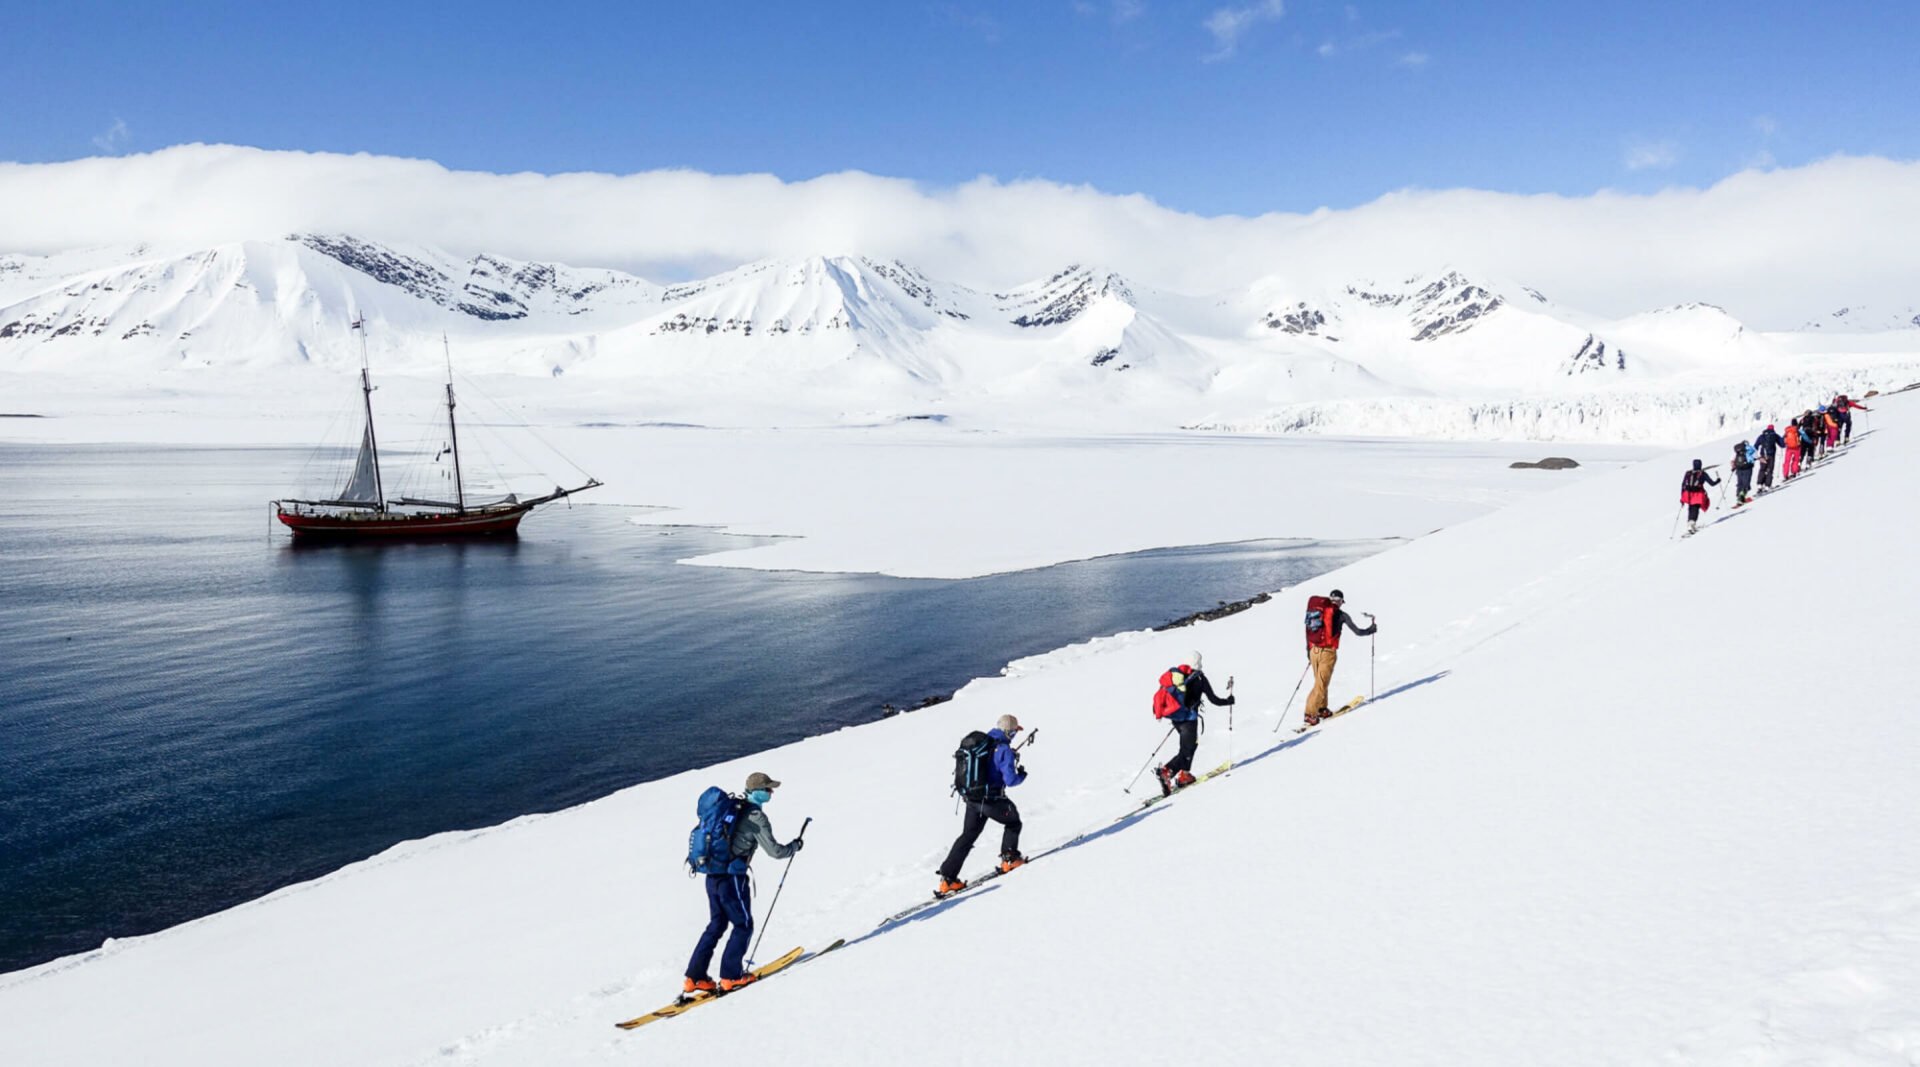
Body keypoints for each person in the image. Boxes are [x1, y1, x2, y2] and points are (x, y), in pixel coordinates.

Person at [685, 772, 803, 995]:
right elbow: (775, 852)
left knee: (716, 924)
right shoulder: (755, 816)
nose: (771, 792)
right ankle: (731, 977)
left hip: (713, 875)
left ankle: (695, 977)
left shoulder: (734, 809)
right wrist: (794, 847)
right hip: (733, 878)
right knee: (743, 924)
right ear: (758, 791)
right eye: (768, 789)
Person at [936, 715, 1028, 898]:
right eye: (1015, 732)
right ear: (1009, 732)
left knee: (968, 835)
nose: (1015, 736)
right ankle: (1010, 859)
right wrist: (1021, 774)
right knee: (1013, 823)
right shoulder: (1003, 750)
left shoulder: (982, 745)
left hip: (972, 799)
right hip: (991, 799)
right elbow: (1010, 780)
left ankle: (948, 879)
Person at [1155, 650, 1235, 794]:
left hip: (1176, 718)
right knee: (1187, 749)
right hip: (1189, 720)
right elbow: (1214, 700)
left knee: (1190, 746)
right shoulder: (1199, 678)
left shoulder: (1176, 677)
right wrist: (1228, 701)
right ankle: (1167, 772)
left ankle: (1184, 774)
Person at [1303, 590, 1377, 727]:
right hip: (1328, 653)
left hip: (1314, 650)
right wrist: (1371, 629)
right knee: (1321, 684)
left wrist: (1309, 651)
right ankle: (1309, 714)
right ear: (1340, 601)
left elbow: (1308, 631)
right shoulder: (1342, 615)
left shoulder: (1318, 612)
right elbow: (1358, 632)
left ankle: (1322, 709)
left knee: (1320, 682)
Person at [1680, 459, 1718, 535]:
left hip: (1688, 494)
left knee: (1691, 508)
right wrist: (1718, 481)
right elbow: (1712, 483)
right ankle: (1692, 524)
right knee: (1695, 508)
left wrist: (1682, 496)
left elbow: (1683, 484)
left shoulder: (1688, 473)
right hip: (1698, 494)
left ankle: (1690, 524)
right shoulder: (1703, 474)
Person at [1752, 423, 1783, 492]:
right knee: (1770, 470)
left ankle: (1759, 485)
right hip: (1771, 455)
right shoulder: (1775, 435)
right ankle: (1767, 485)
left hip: (1763, 455)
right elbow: (1782, 445)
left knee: (1762, 469)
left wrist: (1756, 456)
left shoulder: (1762, 436)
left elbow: (1755, 446)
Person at [1730, 440, 1754, 506]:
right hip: (1748, 468)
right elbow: (1755, 456)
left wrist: (1733, 467)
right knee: (1746, 483)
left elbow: (1732, 460)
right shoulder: (1749, 449)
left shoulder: (1736, 451)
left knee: (1740, 483)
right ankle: (1742, 498)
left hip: (1739, 469)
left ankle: (1739, 496)